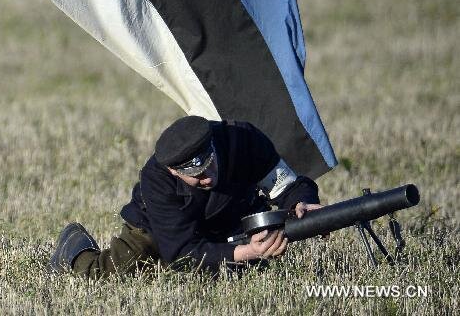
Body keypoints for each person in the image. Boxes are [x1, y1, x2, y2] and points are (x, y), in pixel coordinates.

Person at [50, 115, 323, 277]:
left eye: (211, 164)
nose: (209, 176)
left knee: (245, 272)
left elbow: (286, 185)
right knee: (104, 273)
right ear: (173, 171)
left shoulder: (243, 139)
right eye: (199, 175)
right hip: (159, 229)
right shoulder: (155, 178)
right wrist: (249, 251)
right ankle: (73, 245)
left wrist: (301, 202)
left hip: (229, 216)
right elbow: (180, 253)